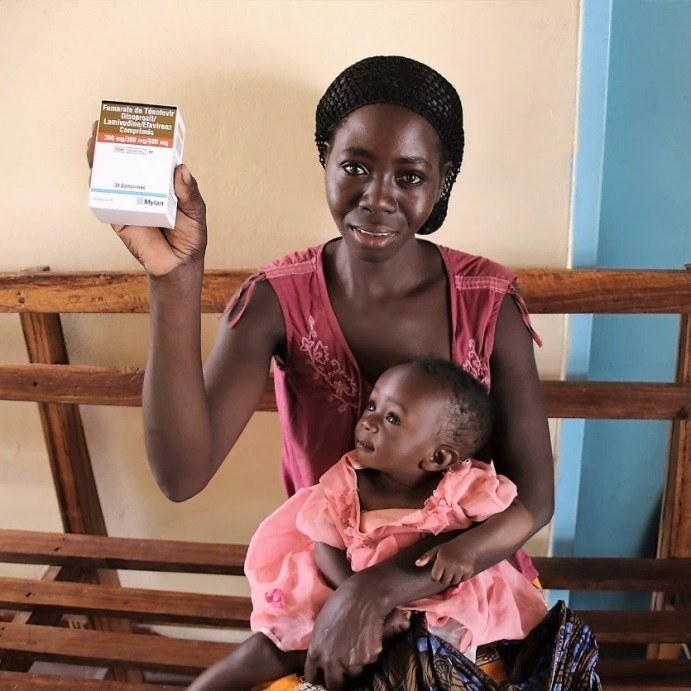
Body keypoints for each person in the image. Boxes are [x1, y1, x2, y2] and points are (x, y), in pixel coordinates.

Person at [86, 55, 555, 688]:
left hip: (466, 594)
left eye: (409, 175)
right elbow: (180, 474)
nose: (377, 196)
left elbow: (533, 497)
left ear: (442, 182)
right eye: (355, 166)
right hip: (323, 588)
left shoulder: (487, 301)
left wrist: (378, 589)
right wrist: (174, 281)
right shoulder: (279, 297)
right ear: (325, 161)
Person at [188, 356, 548, 691]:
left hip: (439, 618)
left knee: (431, 668)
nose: (369, 421)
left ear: (437, 456)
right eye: (373, 406)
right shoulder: (346, 485)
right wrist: (362, 603)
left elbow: (519, 516)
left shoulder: (459, 488)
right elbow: (323, 545)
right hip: (345, 603)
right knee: (266, 649)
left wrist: (469, 548)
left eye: (392, 418)